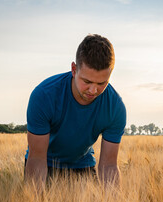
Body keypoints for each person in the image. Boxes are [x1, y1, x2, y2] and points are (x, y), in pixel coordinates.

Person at [24, 34, 126, 189]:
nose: (93, 90)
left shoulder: (115, 107)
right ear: (74, 69)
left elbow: (109, 166)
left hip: (82, 164)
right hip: (45, 162)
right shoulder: (44, 96)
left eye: (101, 83)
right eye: (87, 81)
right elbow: (37, 159)